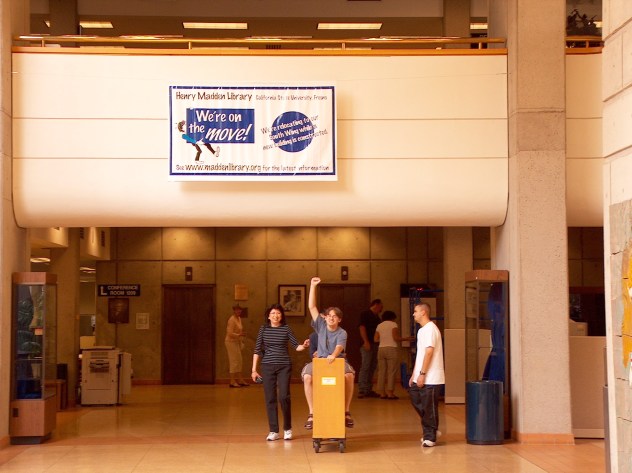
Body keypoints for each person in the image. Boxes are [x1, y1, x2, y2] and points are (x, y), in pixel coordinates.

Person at [301, 277, 355, 429]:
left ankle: (346, 411)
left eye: (334, 316)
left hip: (338, 361)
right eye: (329, 315)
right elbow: (312, 307)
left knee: (349, 375)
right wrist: (312, 285)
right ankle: (312, 413)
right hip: (320, 361)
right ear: (325, 317)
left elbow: (339, 347)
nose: (331, 318)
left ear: (339, 320)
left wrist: (333, 355)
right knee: (307, 377)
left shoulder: (342, 332)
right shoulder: (321, 326)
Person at [251, 304, 307, 441]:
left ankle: (287, 428)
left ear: (282, 316)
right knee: (270, 398)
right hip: (267, 366)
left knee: (284, 396)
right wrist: (254, 370)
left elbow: (296, 346)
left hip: (284, 366)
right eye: (273, 313)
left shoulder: (286, 329)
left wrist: (304, 346)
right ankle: (273, 431)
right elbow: (257, 349)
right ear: (269, 316)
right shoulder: (263, 329)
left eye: (278, 313)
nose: (276, 315)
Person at [408, 303, 445, 447]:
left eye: (415, 311)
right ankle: (433, 429)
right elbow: (421, 354)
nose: (413, 314)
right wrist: (414, 374)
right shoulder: (421, 331)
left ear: (423, 312)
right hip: (420, 375)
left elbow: (429, 352)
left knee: (429, 406)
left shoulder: (430, 329)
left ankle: (430, 436)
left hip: (432, 377)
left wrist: (423, 374)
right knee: (415, 397)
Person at [374, 310, 412, 399]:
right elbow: (396, 337)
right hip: (391, 349)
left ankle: (382, 393)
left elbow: (375, 339)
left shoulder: (379, 325)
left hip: (381, 349)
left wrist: (384, 340)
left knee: (381, 372)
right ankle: (390, 393)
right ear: (392, 318)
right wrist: (406, 339)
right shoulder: (393, 324)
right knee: (391, 371)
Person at [358, 298, 383, 398]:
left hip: (375, 344)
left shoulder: (377, 317)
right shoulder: (365, 314)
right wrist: (366, 341)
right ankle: (362, 389)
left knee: (372, 366)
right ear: (376, 305)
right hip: (367, 343)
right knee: (366, 365)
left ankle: (368, 388)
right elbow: (362, 327)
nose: (381, 309)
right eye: (380, 306)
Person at [225, 304, 247, 388]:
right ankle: (232, 381)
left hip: (236, 342)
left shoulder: (239, 318)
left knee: (239, 360)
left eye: (240, 310)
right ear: (234, 310)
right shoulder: (232, 319)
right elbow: (229, 333)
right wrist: (239, 334)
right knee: (234, 361)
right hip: (230, 342)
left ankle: (240, 380)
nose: (239, 311)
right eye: (237, 310)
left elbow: (239, 330)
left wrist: (241, 335)